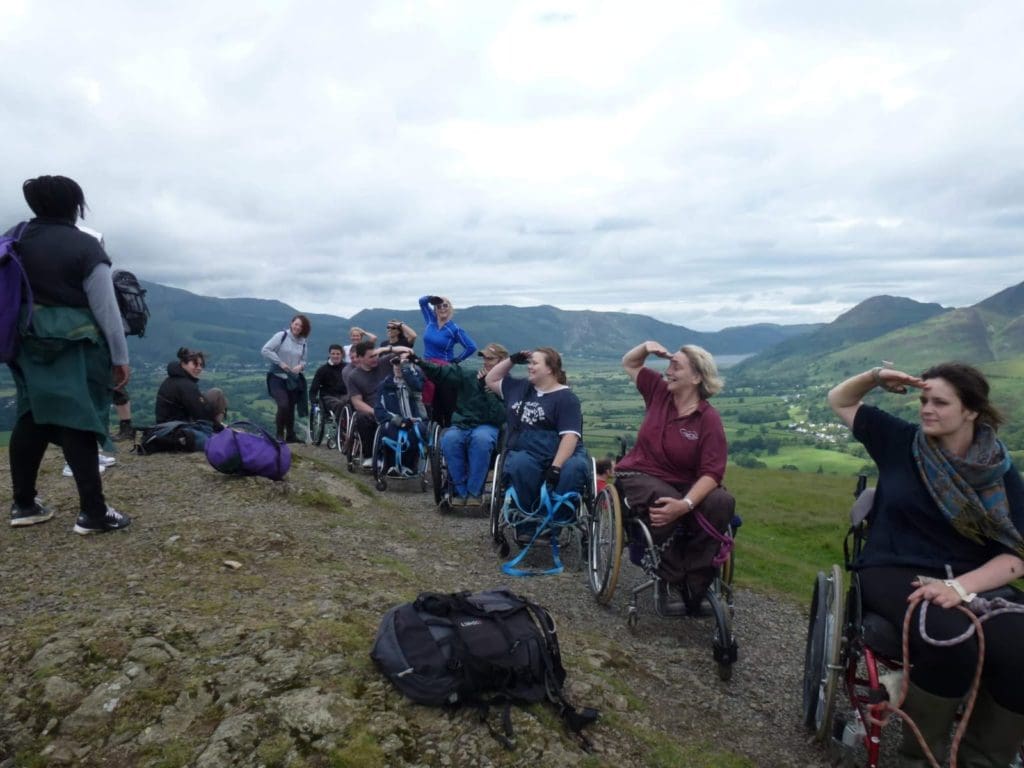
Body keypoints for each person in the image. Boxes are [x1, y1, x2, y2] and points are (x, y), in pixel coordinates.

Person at [829, 363, 1024, 766]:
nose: (926, 409)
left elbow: (1015, 555)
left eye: (939, 402)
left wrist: (959, 588)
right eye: (923, 400)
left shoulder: (999, 474)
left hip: (973, 579)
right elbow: (840, 399)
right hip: (893, 568)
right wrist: (876, 376)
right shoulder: (899, 442)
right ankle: (921, 758)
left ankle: (983, 760)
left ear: (971, 411)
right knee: (949, 640)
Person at [5, 175, 131, 534]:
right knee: (78, 417)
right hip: (74, 344)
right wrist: (120, 357)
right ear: (75, 205)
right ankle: (93, 512)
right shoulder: (86, 247)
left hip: (25, 340)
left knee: (33, 415)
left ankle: (24, 504)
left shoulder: (17, 238)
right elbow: (106, 308)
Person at [614, 342, 733, 616]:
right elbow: (630, 363)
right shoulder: (658, 391)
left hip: (685, 484)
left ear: (697, 377)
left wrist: (688, 504)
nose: (668, 371)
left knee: (721, 501)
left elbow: (712, 473)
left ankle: (697, 582)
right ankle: (673, 576)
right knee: (664, 499)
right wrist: (645, 348)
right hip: (641, 473)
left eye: (676, 366)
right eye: (669, 365)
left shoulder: (708, 419)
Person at [485, 347, 589, 522]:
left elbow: (570, 436)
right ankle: (527, 521)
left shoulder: (566, 398)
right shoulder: (518, 387)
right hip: (526, 449)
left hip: (559, 450)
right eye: (529, 363)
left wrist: (556, 467)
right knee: (519, 465)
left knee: (573, 469)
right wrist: (512, 359)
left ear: (549, 369)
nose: (529, 367)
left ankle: (555, 521)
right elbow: (491, 378)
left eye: (534, 363)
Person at [414, 342, 507, 507]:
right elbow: (442, 372)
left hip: (488, 425)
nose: (485, 361)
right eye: (484, 358)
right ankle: (460, 491)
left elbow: (499, 416)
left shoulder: (507, 385)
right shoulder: (469, 375)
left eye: (490, 359)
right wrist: (419, 362)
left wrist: (488, 388)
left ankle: (473, 492)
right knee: (449, 439)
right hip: (463, 423)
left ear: (502, 362)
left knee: (481, 441)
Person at [419, 295, 478, 428]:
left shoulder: (454, 329)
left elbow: (471, 347)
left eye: (445, 305)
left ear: (450, 308)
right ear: (435, 309)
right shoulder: (430, 321)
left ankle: (448, 436)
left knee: (446, 405)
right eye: (439, 306)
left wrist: (456, 361)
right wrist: (433, 298)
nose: (442, 308)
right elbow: (422, 302)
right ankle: (433, 437)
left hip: (444, 370)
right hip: (427, 367)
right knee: (431, 404)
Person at [154, 347, 228, 448]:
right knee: (215, 443)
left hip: (169, 424)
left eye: (201, 365)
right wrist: (223, 430)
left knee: (217, 394)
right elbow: (201, 415)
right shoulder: (186, 385)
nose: (199, 368)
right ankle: (216, 434)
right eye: (195, 364)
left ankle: (216, 430)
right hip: (175, 428)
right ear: (183, 364)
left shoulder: (176, 378)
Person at [346, 340, 398, 467]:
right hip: (371, 409)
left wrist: (385, 350)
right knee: (361, 417)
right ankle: (369, 456)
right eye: (371, 357)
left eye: (376, 355)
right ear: (360, 358)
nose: (375, 359)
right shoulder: (354, 376)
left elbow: (407, 351)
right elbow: (357, 402)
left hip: (392, 404)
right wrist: (375, 412)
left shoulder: (385, 362)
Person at [373, 354, 427, 476]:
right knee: (390, 432)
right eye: (396, 365)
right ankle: (390, 464)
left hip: (416, 421)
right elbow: (378, 409)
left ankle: (409, 465)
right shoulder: (385, 385)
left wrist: (406, 368)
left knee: (415, 433)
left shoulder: (415, 384)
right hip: (393, 421)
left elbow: (417, 385)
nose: (398, 367)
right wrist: (398, 420)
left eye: (401, 365)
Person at [261, 315, 310, 443]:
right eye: (296, 324)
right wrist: (280, 362)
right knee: (283, 405)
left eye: (301, 326)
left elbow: (304, 360)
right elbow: (265, 350)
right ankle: (279, 435)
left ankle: (290, 435)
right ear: (291, 323)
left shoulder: (303, 341)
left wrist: (300, 366)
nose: (298, 327)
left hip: (293, 378)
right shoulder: (281, 336)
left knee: (290, 407)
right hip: (277, 377)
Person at [308, 344, 349, 420]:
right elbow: (314, 388)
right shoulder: (322, 370)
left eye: (338, 354)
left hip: (344, 394)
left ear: (342, 355)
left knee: (352, 402)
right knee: (339, 404)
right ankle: (341, 427)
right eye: (333, 354)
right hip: (328, 396)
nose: (335, 356)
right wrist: (313, 401)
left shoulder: (347, 368)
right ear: (329, 354)